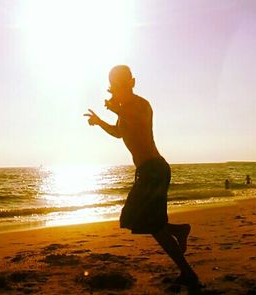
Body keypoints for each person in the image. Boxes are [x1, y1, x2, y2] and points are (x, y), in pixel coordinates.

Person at [84, 65, 199, 286]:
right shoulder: (123, 108)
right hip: (146, 172)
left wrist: (117, 109)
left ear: (132, 82)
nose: (119, 87)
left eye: (123, 83)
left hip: (155, 169)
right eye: (115, 84)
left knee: (151, 225)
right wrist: (99, 122)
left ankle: (188, 273)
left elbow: (139, 122)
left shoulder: (141, 105)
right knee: (132, 219)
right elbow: (120, 133)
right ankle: (179, 231)